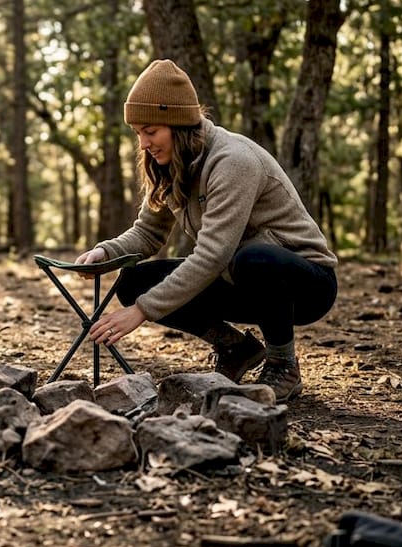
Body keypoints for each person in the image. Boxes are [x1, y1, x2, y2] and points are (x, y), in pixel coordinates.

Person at [75, 59, 338, 402]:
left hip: (304, 284)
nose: (143, 144)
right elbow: (148, 233)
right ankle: (235, 349)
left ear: (177, 124)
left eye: (150, 131)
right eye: (138, 133)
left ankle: (282, 364)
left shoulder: (233, 161)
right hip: (238, 276)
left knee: (252, 259)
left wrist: (142, 311)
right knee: (134, 282)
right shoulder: (170, 164)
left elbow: (213, 255)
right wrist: (106, 252)